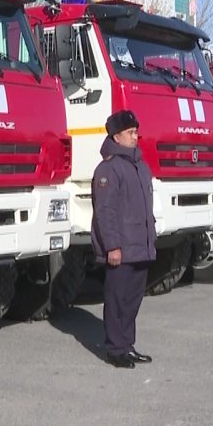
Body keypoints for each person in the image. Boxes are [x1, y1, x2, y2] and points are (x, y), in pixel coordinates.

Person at [91, 110, 157, 369]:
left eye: (136, 132)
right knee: (117, 299)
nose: (135, 137)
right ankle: (115, 348)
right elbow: (105, 212)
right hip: (121, 247)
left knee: (132, 300)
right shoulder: (108, 169)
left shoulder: (141, 166)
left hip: (141, 245)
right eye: (130, 133)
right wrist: (113, 246)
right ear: (116, 136)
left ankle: (127, 345)